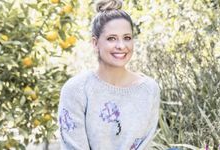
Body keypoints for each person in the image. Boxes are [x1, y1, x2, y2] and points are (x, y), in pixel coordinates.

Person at [58, 0, 160, 149]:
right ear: (95, 43)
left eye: (127, 38)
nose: (121, 46)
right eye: (112, 38)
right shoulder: (76, 90)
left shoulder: (149, 89)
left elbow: (145, 144)